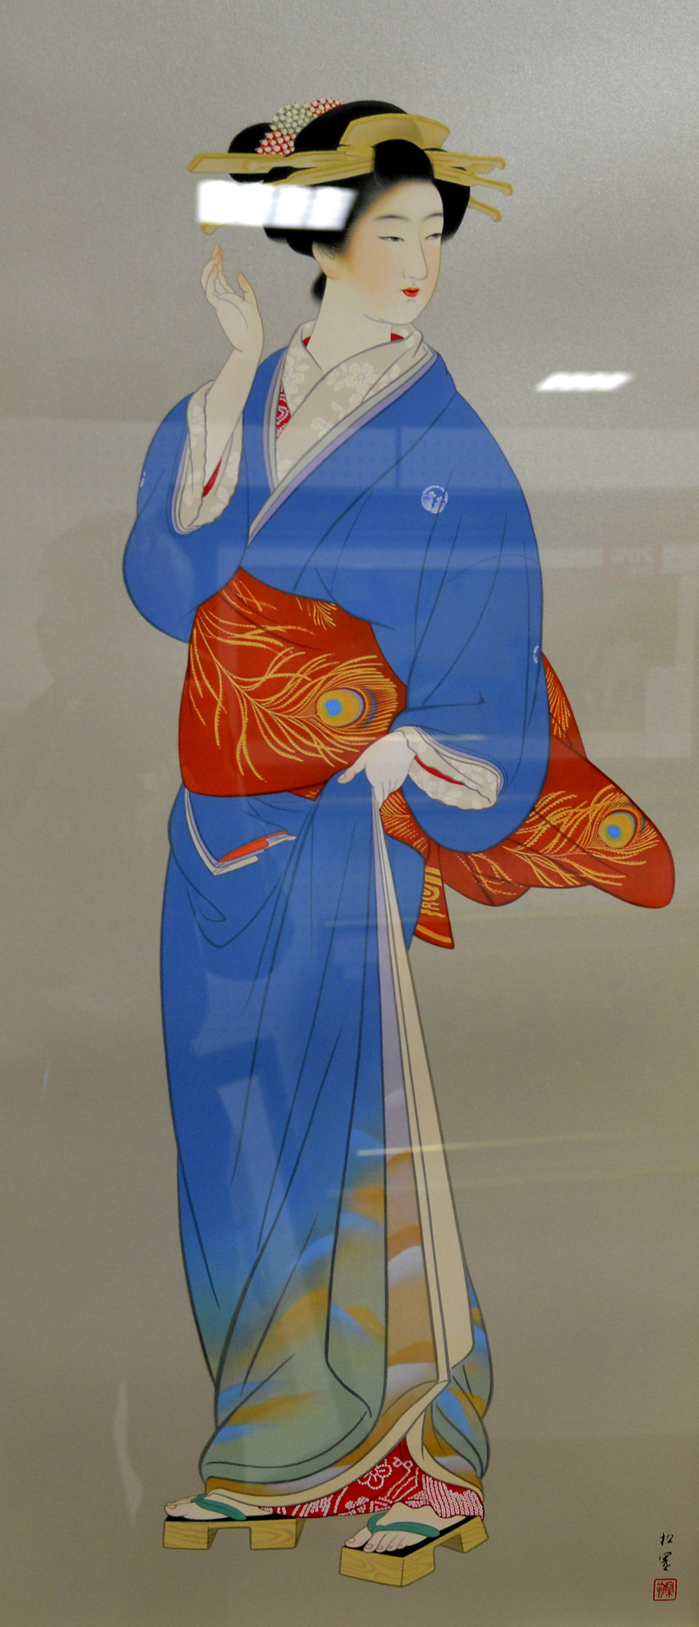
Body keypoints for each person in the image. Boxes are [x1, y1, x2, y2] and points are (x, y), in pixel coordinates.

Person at [123, 98, 664, 1586]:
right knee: (231, 1136)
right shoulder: (237, 398)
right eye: (389, 231)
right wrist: (229, 379)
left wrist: (396, 756)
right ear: (320, 242)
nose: (419, 260)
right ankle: (272, 1443)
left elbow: (484, 670)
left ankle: (430, 1446)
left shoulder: (451, 450)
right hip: (215, 825)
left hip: (351, 829)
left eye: (435, 232)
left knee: (356, 1139)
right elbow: (168, 587)